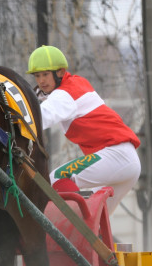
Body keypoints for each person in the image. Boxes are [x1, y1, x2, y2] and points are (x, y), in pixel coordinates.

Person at [27, 45, 141, 215]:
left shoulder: (64, 95)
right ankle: (86, 237)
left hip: (115, 156)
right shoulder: (76, 83)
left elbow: (38, 119)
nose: (41, 81)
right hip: (126, 159)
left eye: (45, 74)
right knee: (97, 219)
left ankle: (67, 230)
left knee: (56, 178)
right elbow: (46, 97)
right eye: (37, 76)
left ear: (60, 72)